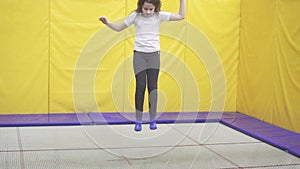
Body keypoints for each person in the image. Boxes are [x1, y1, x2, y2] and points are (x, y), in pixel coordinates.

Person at [99, 0, 186, 132]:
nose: (148, 12)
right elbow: (119, 28)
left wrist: (182, 1)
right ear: (141, 6)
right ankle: (138, 119)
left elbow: (181, 16)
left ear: (156, 8)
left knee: (153, 87)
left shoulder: (159, 16)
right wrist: (108, 23)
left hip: (154, 55)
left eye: (151, 9)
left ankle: (152, 118)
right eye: (145, 9)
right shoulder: (135, 16)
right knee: (140, 86)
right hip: (139, 54)